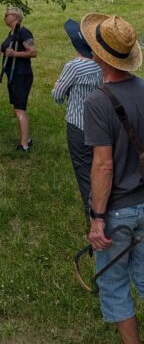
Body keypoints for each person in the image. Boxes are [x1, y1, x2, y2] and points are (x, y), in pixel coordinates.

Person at [82, 12, 144, 344]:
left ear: (99, 56)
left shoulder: (97, 101)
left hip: (118, 209)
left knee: (116, 284)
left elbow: (103, 165)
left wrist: (97, 218)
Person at [51, 19, 102, 220]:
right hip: (101, 123)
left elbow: (57, 95)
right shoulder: (101, 64)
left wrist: (58, 87)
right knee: (100, 167)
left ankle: (94, 218)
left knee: (83, 170)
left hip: (78, 125)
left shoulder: (74, 66)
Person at [0, 7, 36, 151]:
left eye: (7, 14)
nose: (5, 16)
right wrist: (0, 48)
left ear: (16, 17)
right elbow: (9, 43)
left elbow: (33, 52)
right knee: (19, 108)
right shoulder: (13, 32)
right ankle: (27, 138)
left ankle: (24, 145)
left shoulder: (24, 32)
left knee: (19, 109)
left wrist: (14, 54)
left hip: (21, 76)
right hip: (13, 76)